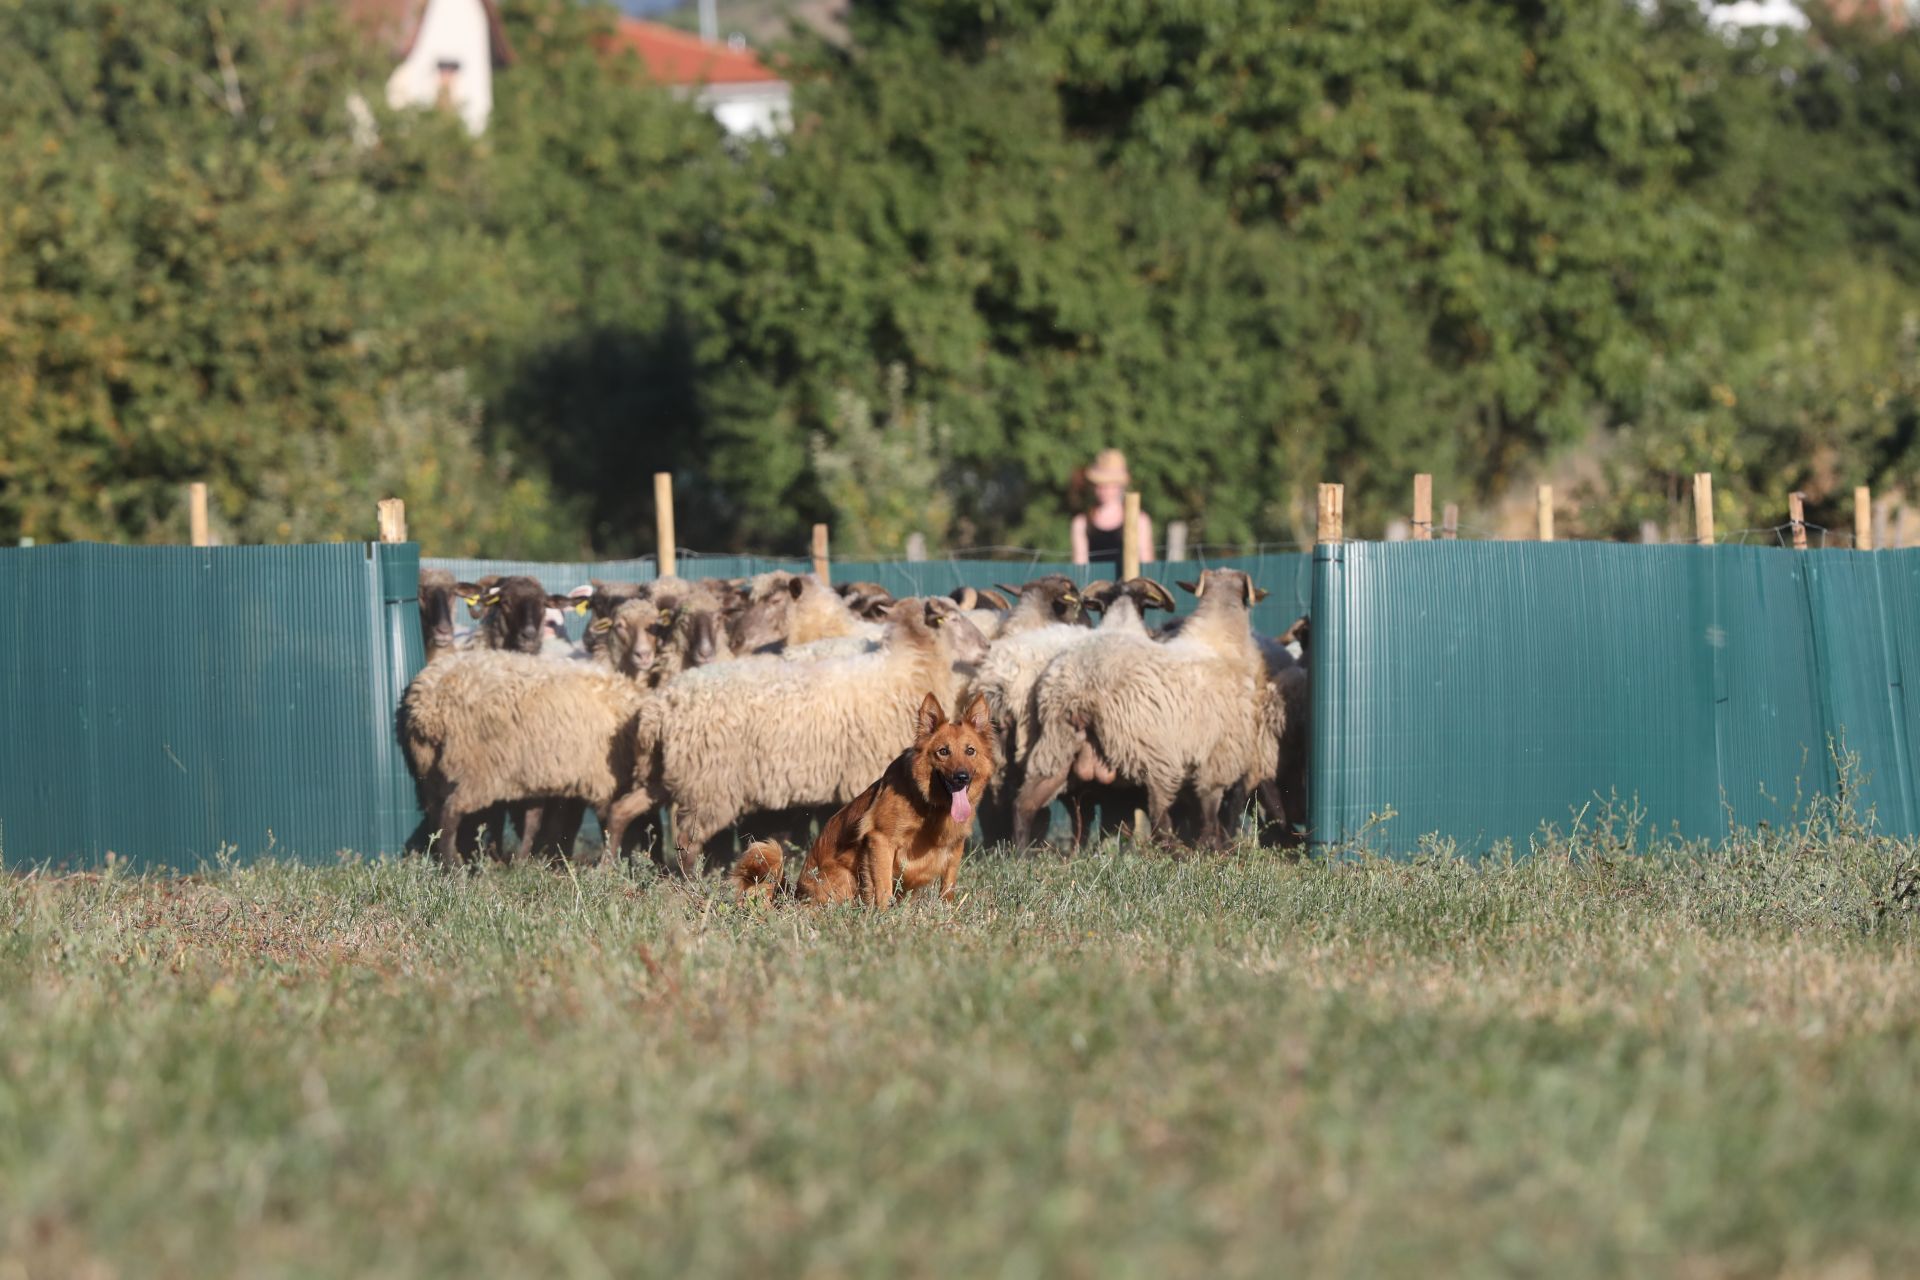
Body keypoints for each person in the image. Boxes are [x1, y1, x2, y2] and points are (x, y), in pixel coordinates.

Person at [1070, 448, 1154, 569]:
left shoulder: (1140, 521)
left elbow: (1147, 567)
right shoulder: (1081, 523)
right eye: (1100, 484)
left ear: (1121, 485)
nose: (1104, 489)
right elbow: (1080, 569)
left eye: (1110, 484)